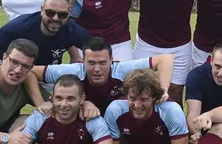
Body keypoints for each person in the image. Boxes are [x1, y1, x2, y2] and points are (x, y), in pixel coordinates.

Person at [32, 37, 174, 114]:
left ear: (111, 60)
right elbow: (30, 72)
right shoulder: (74, 71)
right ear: (83, 61)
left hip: (114, 118)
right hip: (84, 118)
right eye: (92, 63)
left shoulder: (121, 69)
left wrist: (163, 91)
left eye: (103, 63)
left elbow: (165, 59)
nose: (97, 69)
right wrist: (41, 103)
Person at [0, 0, 91, 76]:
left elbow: (99, 50)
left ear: (69, 13)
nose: (55, 18)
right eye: (50, 13)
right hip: (12, 68)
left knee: (62, 101)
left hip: (44, 72)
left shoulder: (73, 31)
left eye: (62, 14)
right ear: (42, 10)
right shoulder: (20, 26)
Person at [132, 0, 202, 102]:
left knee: (175, 92)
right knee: (139, 88)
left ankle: (173, 124)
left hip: (180, 47)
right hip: (146, 44)